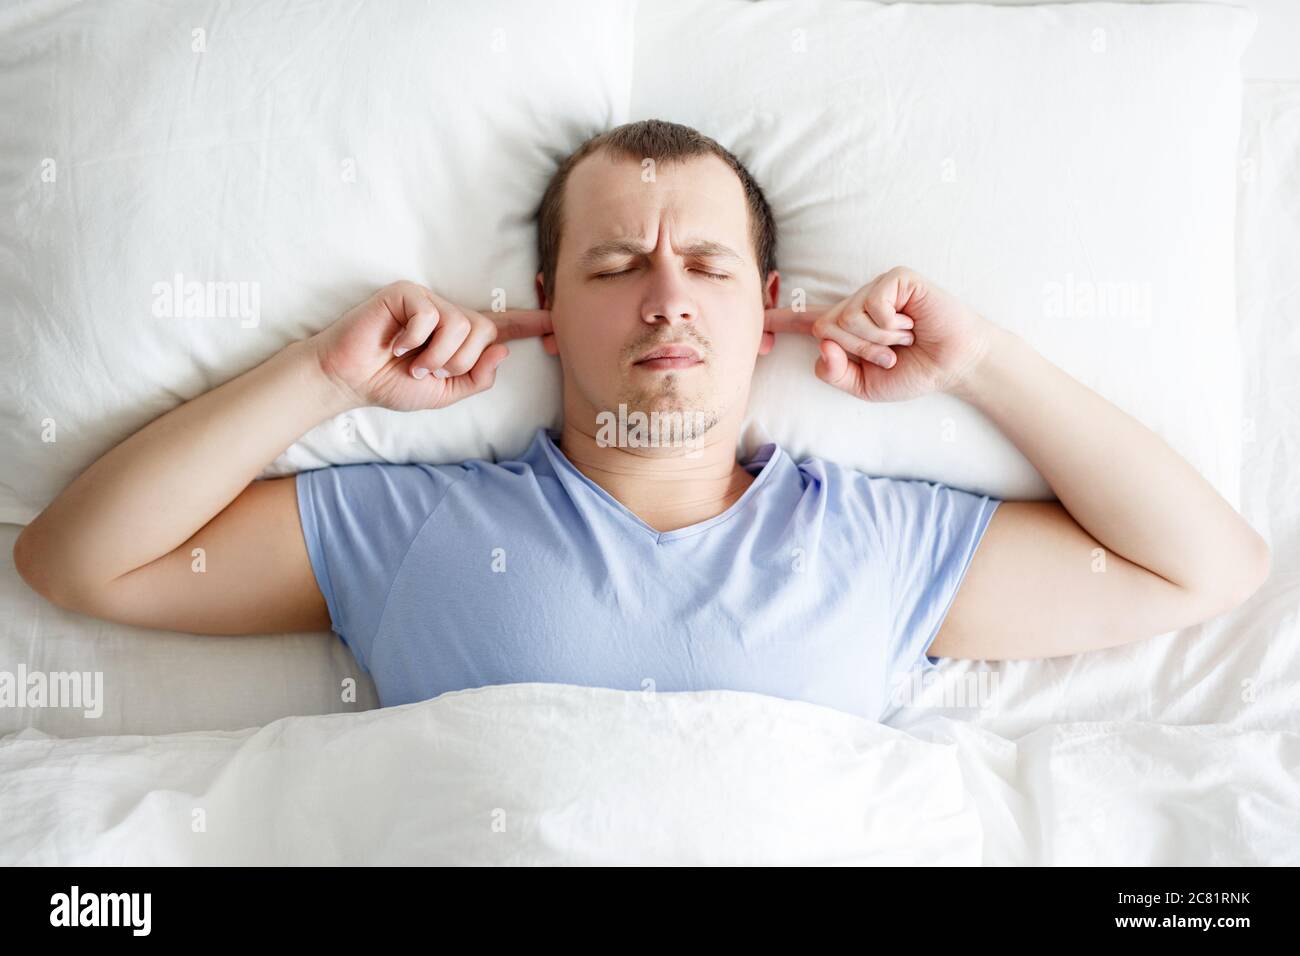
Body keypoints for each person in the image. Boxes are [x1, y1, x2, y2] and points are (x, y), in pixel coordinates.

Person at [12, 120, 1269, 721]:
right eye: (614, 265)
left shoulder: (876, 545)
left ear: (772, 309)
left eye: (709, 267)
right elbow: (75, 560)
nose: (666, 295)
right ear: (543, 307)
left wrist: (982, 361)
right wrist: (327, 377)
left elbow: (1208, 568)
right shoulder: (420, 525)